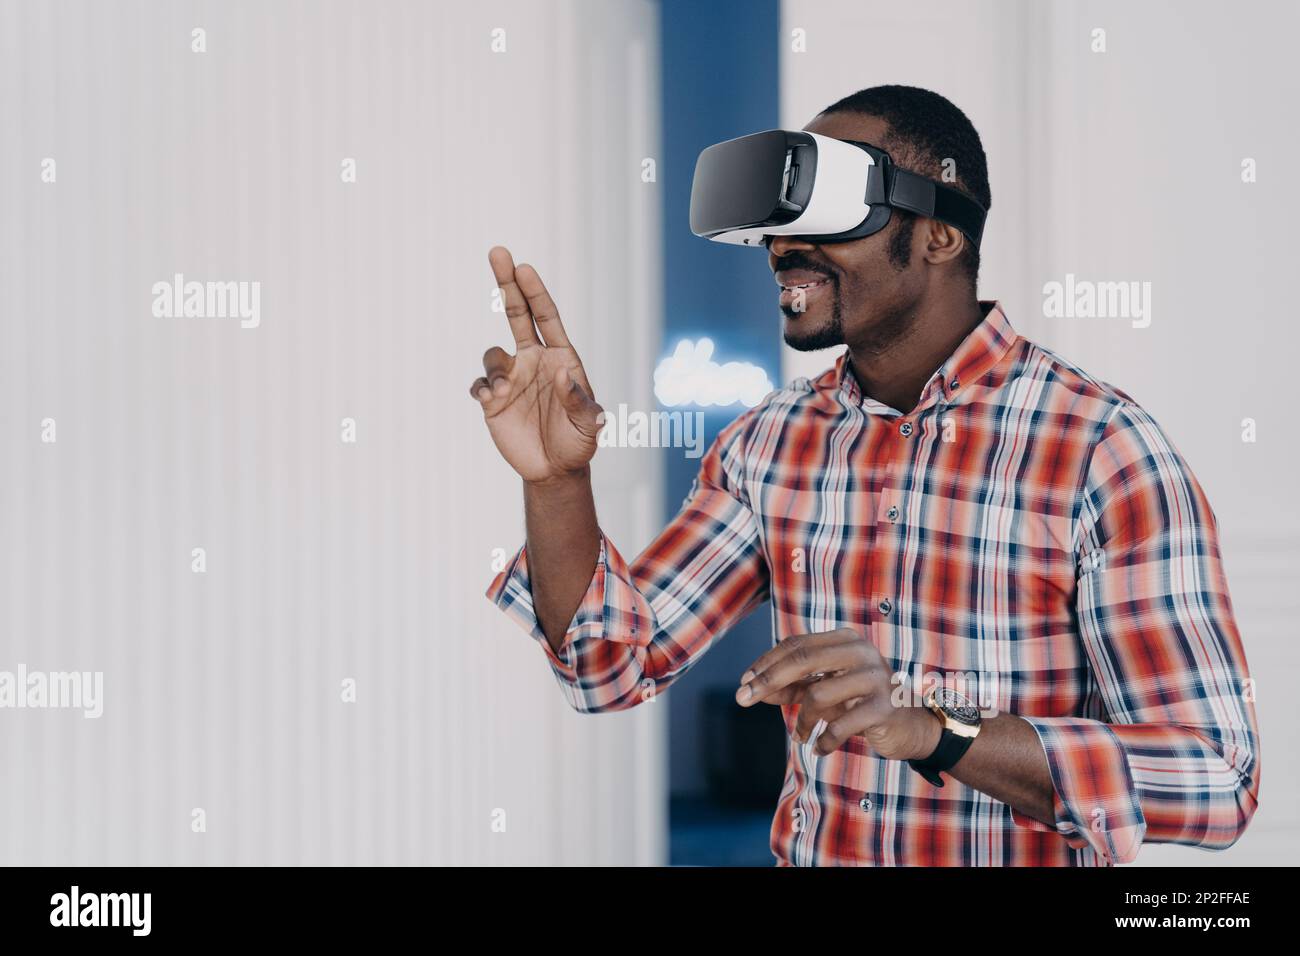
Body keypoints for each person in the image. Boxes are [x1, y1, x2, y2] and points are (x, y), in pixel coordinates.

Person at [471, 85, 1260, 866]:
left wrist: (934, 732)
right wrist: (556, 483)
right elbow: (608, 667)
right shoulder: (769, 443)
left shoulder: (1101, 449)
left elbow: (1216, 780)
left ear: (939, 235)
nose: (784, 246)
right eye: (780, 222)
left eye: (827, 211)